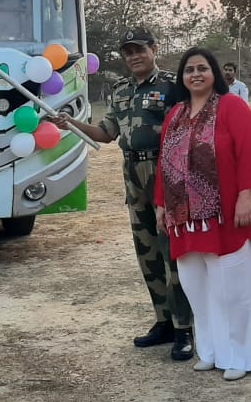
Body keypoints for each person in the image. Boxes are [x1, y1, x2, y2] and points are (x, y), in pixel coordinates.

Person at [50, 28, 194, 360]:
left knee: (173, 254)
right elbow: (105, 133)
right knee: (147, 254)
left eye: (140, 50)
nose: (134, 56)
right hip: (133, 176)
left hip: (165, 175)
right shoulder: (120, 90)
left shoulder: (173, 86)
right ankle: (163, 321)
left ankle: (184, 328)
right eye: (128, 52)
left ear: (154, 49)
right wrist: (71, 123)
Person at [154, 48, 251, 381]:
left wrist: (246, 195)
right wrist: (161, 203)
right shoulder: (175, 113)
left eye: (203, 68)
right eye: (189, 69)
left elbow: (250, 152)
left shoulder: (232, 107)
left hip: (226, 214)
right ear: (182, 77)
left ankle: (240, 358)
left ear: (214, 73)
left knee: (230, 290)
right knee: (197, 288)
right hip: (184, 218)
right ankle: (211, 351)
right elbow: (164, 163)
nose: (196, 74)